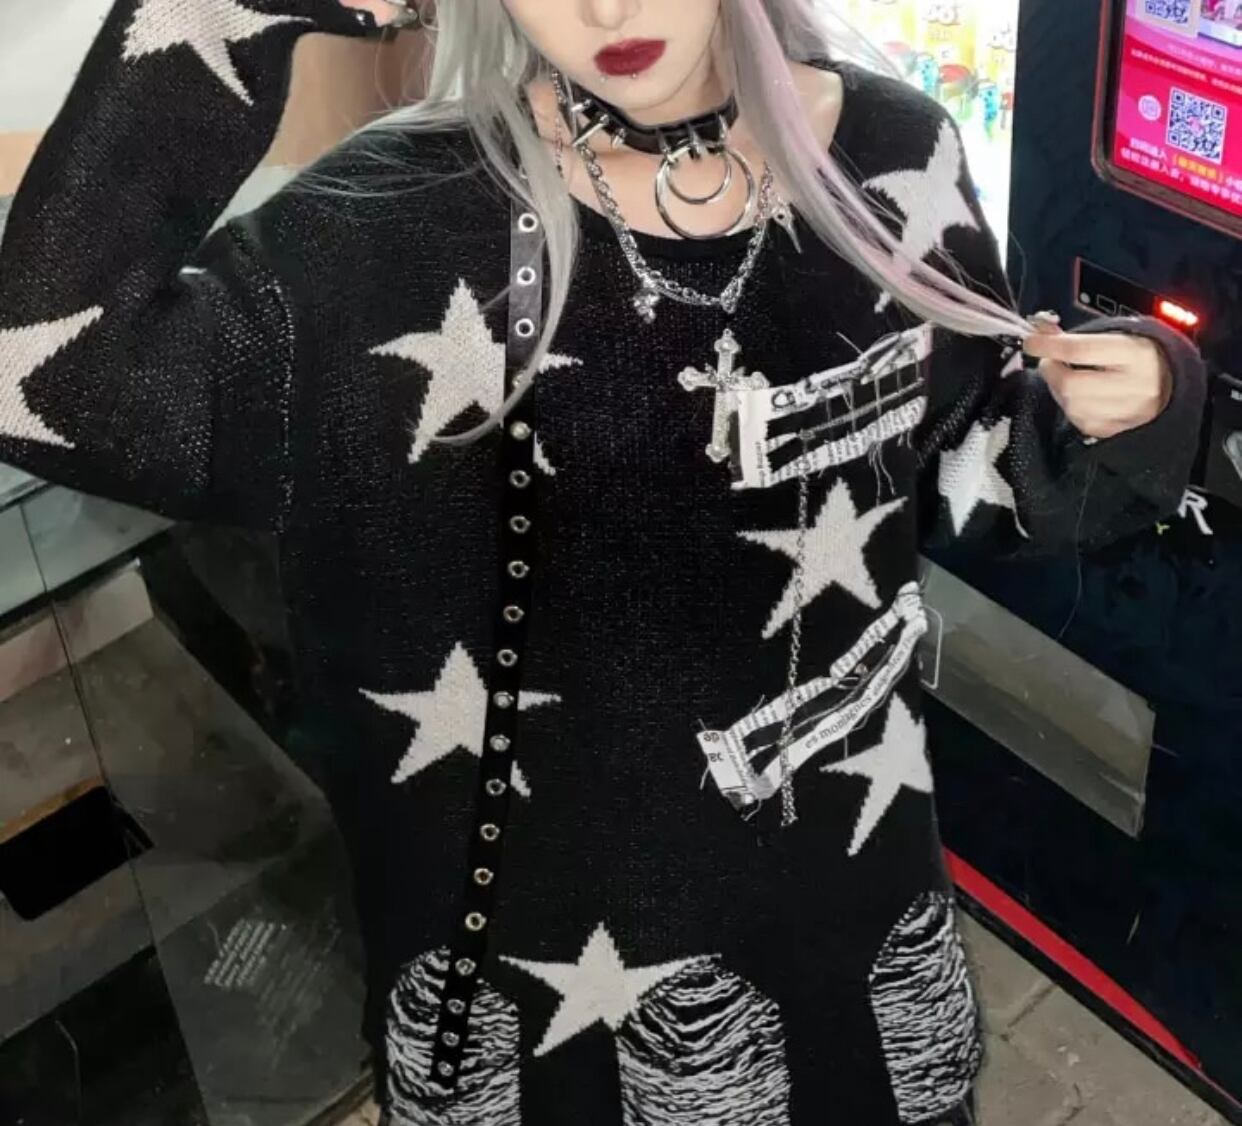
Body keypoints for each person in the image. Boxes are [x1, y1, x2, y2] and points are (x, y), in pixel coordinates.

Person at [0, 1, 1206, 1123]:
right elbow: (45, 374)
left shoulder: (896, 153)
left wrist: (1136, 399)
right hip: (542, 1001)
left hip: (850, 925)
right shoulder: (382, 233)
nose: (607, 10)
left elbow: (965, 466)